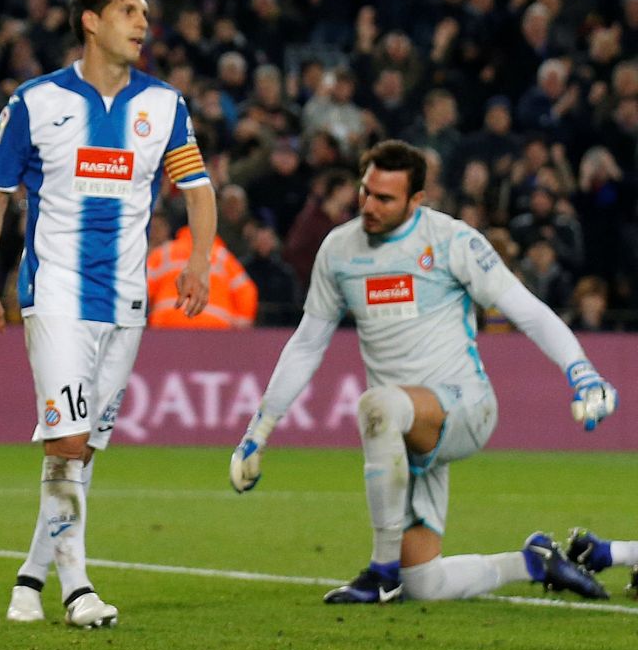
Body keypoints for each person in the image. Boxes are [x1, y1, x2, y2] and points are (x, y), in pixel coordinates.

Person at [228, 139, 619, 604]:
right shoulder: (339, 250)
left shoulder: (452, 241)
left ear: (417, 200)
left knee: (378, 405)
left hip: (464, 406)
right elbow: (309, 341)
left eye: (385, 199)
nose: (369, 206)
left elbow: (527, 310)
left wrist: (582, 373)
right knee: (426, 584)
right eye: (365, 192)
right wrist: (260, 427)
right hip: (403, 428)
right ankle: (533, 561)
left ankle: (380, 572)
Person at [0, 0, 216, 629]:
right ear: (90, 21)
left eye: (145, 12)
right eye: (128, 10)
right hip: (57, 294)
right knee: (70, 438)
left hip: (127, 301)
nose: (141, 23)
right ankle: (78, 588)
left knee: (82, 449)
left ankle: (30, 577)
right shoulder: (36, 100)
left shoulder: (163, 104)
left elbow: (198, 187)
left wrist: (196, 260)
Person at [147, 223, 256, 328]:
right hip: (215, 327)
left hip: (166, 324)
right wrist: (239, 329)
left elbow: (143, 286)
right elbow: (246, 292)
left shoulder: (164, 253)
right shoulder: (222, 257)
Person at [564, 529, 638, 595]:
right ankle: (634, 585)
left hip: (609, 553)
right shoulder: (595, 551)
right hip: (611, 552)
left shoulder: (596, 557)